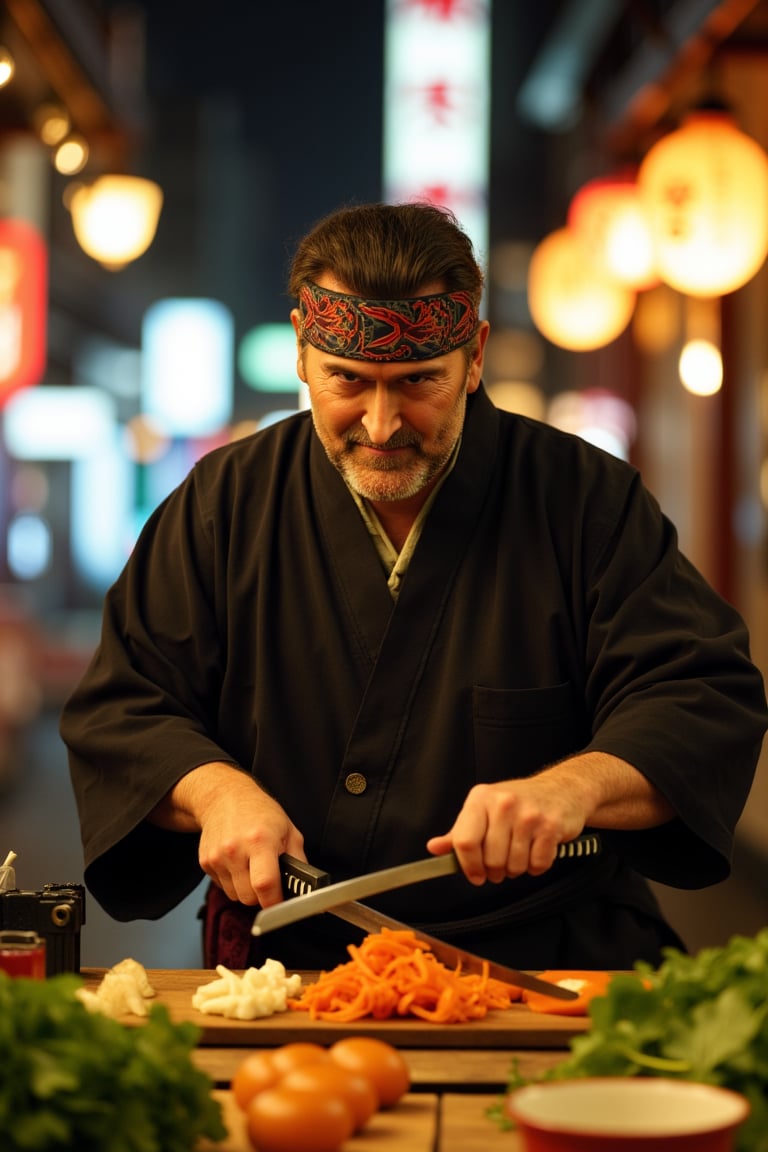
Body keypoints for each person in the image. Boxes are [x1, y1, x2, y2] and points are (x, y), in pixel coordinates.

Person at [60, 202, 767, 973]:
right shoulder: (223, 503)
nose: (383, 422)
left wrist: (574, 788)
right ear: (302, 352)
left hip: (544, 955)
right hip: (288, 964)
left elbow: (699, 693)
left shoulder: (584, 498)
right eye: (348, 381)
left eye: (420, 380)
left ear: (476, 356)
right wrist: (214, 791)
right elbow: (125, 706)